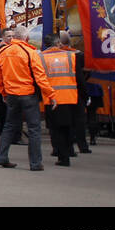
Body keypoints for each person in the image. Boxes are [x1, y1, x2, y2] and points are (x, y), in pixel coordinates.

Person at [0, 25, 55, 171]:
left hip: (11, 95)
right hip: (27, 94)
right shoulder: (30, 52)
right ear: (26, 38)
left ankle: (2, 157)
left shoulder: (3, 52)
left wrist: (3, 93)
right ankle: (35, 163)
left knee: (9, 126)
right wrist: (50, 94)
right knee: (34, 128)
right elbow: (40, 77)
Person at [41, 32, 79, 167]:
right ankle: (70, 150)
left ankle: (62, 155)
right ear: (58, 43)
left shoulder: (42, 57)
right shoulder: (71, 56)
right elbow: (78, 76)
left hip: (51, 97)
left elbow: (40, 78)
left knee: (56, 129)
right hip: (70, 95)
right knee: (68, 127)